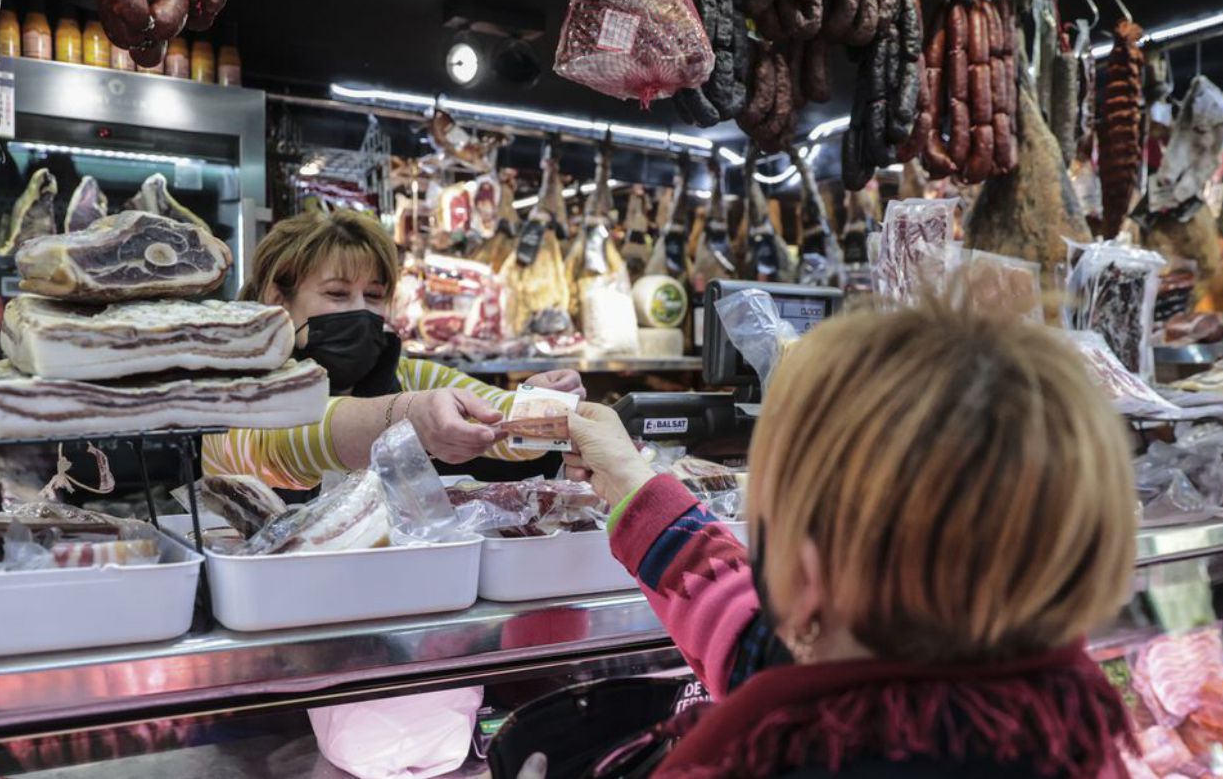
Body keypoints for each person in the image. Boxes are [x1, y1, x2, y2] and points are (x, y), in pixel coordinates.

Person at [561, 296, 1139, 777]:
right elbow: (759, 645)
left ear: (806, 576)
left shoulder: (770, 755)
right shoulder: (1067, 720)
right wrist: (631, 481)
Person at [203, 209, 582, 489]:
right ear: (278, 300)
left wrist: (545, 410)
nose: (360, 311)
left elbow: (499, 424)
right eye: (336, 294)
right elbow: (291, 445)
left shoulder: (405, 374)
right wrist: (409, 417)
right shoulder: (235, 390)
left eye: (373, 295)